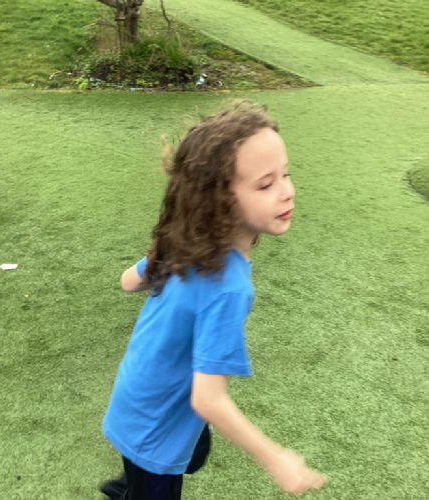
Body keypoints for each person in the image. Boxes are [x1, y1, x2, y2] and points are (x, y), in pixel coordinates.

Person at [100, 101, 328, 499]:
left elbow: (126, 282)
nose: (287, 191)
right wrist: (277, 459)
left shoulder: (183, 242)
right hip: (154, 431)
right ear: (220, 200)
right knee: (161, 471)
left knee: (192, 452)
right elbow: (208, 400)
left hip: (135, 395)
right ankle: (132, 488)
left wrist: (157, 260)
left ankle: (129, 485)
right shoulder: (229, 288)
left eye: (286, 174)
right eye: (265, 185)